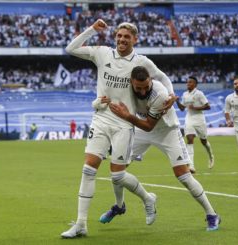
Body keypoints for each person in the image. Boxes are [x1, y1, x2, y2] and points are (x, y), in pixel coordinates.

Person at [61, 19, 175, 238]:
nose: (122, 40)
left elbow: (161, 76)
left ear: (135, 39)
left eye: (127, 37)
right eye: (119, 36)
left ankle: (147, 198)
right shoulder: (102, 53)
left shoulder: (141, 62)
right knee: (88, 169)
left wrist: (170, 94)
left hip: (124, 123)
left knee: (118, 177)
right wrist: (93, 29)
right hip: (101, 119)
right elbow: (70, 49)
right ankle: (81, 224)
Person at [94, 66, 220, 231]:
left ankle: (212, 214)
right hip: (139, 129)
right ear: (131, 82)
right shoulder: (124, 89)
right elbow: (106, 104)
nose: (143, 91)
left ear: (151, 81)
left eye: (146, 87)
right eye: (139, 88)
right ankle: (119, 206)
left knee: (183, 176)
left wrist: (127, 116)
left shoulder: (159, 94)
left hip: (166, 131)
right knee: (117, 169)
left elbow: (148, 125)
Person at [176, 76, 215, 173]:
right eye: (187, 82)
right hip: (189, 119)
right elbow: (182, 108)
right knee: (189, 139)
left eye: (190, 82)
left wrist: (196, 108)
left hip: (199, 120)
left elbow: (208, 106)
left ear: (195, 84)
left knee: (204, 141)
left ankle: (211, 156)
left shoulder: (199, 94)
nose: (188, 84)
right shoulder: (185, 94)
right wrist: (176, 101)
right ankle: (191, 166)